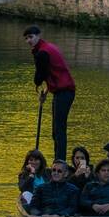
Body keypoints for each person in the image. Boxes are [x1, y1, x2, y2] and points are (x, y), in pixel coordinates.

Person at [24, 25, 76, 164]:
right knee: (56, 130)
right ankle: (58, 160)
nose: (29, 40)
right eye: (27, 38)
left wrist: (37, 83)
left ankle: (60, 162)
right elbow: (51, 73)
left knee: (59, 130)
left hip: (64, 91)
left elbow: (40, 75)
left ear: (38, 36)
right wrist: (46, 92)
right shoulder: (47, 47)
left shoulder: (42, 53)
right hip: (61, 91)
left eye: (31, 37)